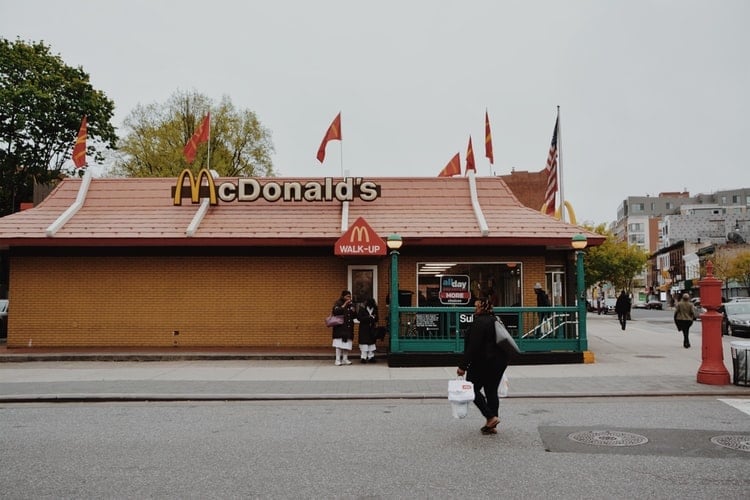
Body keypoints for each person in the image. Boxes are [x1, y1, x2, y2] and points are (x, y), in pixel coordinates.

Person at [456, 298, 508, 436]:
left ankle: (490, 417)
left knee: (471, 388)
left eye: (476, 306)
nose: (474, 308)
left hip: (483, 362)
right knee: (491, 391)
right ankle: (492, 425)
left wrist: (463, 366)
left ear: (481, 308)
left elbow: (473, 347)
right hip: (499, 362)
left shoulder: (479, 322)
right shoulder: (496, 320)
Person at [331, 290, 357, 365]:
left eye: (350, 296)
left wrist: (354, 310)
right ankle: (337, 360)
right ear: (343, 296)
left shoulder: (352, 304)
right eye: (347, 296)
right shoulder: (338, 303)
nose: (349, 298)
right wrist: (344, 304)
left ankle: (345, 359)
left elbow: (354, 316)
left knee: (347, 345)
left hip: (348, 327)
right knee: (339, 344)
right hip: (340, 328)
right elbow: (336, 312)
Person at [356, 297, 379, 363]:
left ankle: (371, 357)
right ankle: (363, 357)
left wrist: (374, 318)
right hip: (364, 328)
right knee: (364, 343)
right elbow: (359, 318)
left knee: (371, 343)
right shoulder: (362, 309)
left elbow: (377, 318)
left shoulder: (375, 309)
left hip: (371, 328)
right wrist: (369, 317)